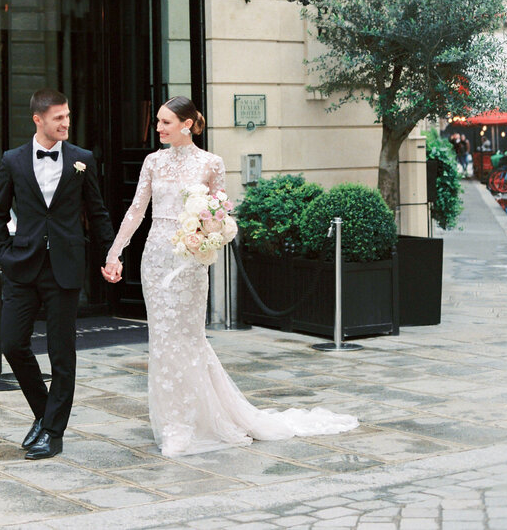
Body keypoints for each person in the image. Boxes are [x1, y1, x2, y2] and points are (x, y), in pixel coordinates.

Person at [105, 96, 358, 458]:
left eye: (164, 122)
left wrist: (208, 231)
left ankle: (190, 424)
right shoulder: (153, 162)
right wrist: (115, 252)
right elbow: (135, 210)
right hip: (156, 257)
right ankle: (172, 422)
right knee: (162, 338)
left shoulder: (212, 163)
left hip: (190, 260)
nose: (157, 128)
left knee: (188, 337)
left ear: (186, 125)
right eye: (158, 122)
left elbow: (222, 212)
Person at [0, 88, 121, 460]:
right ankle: (45, 414)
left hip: (65, 267)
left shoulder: (82, 159)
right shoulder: (12, 160)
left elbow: (97, 213)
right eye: (58, 118)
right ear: (38, 119)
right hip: (22, 266)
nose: (66, 123)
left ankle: (53, 432)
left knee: (61, 353)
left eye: (67, 116)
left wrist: (111, 255)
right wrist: (2, 256)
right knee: (12, 345)